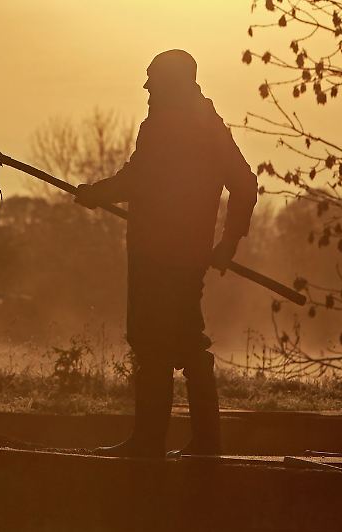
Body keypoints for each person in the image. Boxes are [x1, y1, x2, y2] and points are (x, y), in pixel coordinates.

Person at [75, 49, 258, 458]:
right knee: (184, 341)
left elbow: (141, 179)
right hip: (184, 255)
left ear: (171, 83)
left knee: (156, 341)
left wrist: (96, 193)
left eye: (152, 80)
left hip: (157, 255)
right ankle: (202, 443)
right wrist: (226, 243)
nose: (146, 88)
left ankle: (151, 443)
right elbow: (244, 186)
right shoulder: (211, 126)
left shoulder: (165, 125)